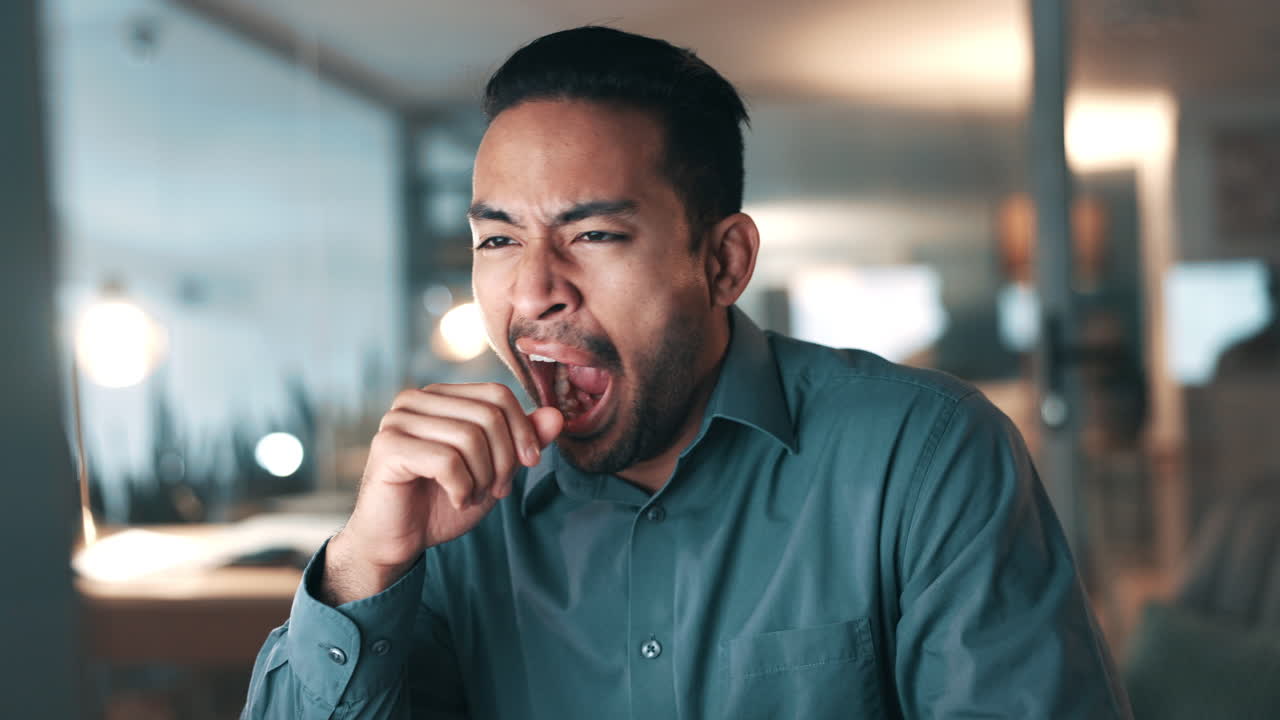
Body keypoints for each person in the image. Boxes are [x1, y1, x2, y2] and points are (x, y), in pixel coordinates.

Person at [242, 26, 1131, 719]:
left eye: (592, 235)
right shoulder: (452, 515)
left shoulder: (925, 455)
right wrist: (365, 567)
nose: (535, 290)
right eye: (498, 239)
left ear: (724, 262)